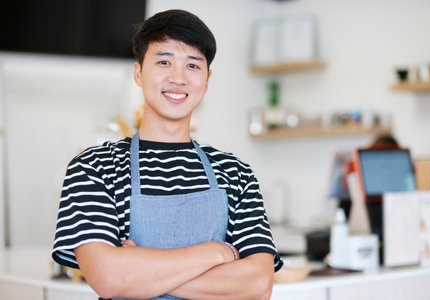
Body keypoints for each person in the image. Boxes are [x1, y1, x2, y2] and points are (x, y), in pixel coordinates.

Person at [52, 9, 283, 300]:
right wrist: (214, 253)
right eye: (164, 62)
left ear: (207, 79)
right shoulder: (94, 167)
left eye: (193, 66)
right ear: (138, 72)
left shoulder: (236, 173)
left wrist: (139, 273)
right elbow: (108, 277)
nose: (178, 77)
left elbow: (258, 285)